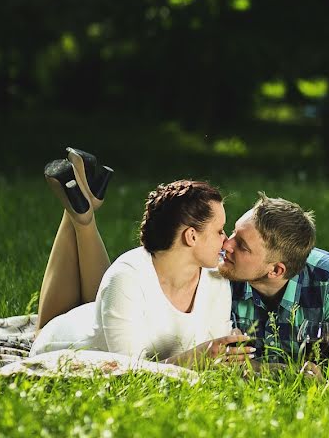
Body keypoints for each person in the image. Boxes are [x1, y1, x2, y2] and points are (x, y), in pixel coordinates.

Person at [29, 148, 253, 368]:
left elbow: (214, 357)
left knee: (100, 295)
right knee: (45, 328)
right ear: (191, 236)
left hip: (96, 317)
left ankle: (79, 210)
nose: (226, 241)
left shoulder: (215, 280)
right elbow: (128, 372)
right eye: (219, 231)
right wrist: (194, 359)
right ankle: (78, 212)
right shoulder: (127, 277)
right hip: (60, 346)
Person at [218, 193, 329, 373]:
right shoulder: (215, 273)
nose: (226, 245)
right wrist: (275, 370)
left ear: (276, 271)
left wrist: (324, 380)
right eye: (234, 232)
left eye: (242, 246)